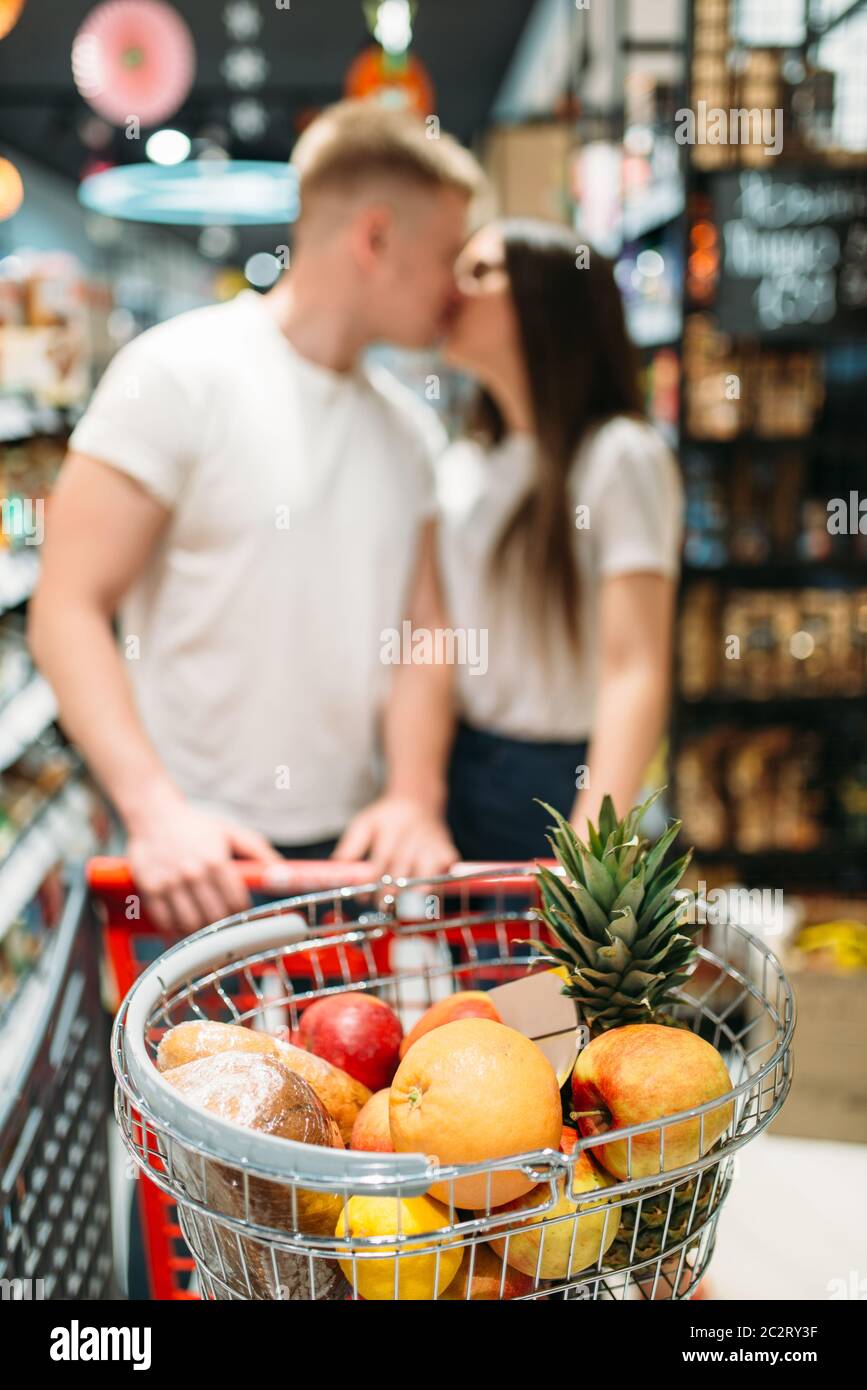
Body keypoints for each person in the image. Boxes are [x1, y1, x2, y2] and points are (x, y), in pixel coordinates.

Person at [29, 102, 483, 932]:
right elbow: (65, 607)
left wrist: (415, 796)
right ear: (374, 239)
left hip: (346, 861)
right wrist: (156, 810)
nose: (458, 290)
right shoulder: (174, 375)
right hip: (190, 861)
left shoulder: (408, 432)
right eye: (447, 257)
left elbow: (425, 632)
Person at [437, 219, 684, 861]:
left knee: (549, 965)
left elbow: (636, 666)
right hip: (462, 768)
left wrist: (593, 834)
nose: (453, 288)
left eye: (481, 272)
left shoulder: (618, 455)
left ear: (544, 299)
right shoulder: (467, 460)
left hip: (566, 781)